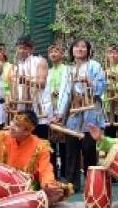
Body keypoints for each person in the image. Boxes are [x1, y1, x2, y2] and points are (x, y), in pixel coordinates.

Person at [54, 39, 106, 192]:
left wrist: (91, 83)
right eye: (76, 46)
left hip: (91, 109)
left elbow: (102, 86)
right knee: (71, 147)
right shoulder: (68, 69)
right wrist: (60, 114)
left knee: (89, 147)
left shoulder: (95, 65)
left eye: (84, 46)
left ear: (88, 50)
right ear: (72, 50)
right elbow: (64, 92)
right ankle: (72, 184)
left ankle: (92, 182)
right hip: (74, 110)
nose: (80, 49)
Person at [12, 35, 50, 138]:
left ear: (32, 49)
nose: (22, 51)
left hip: (38, 108)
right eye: (20, 48)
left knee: (40, 141)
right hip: (22, 108)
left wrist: (27, 82)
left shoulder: (40, 61)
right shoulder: (16, 66)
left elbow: (42, 84)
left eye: (25, 48)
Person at [45, 43, 67, 178]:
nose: (53, 54)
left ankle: (65, 171)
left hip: (62, 108)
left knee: (64, 140)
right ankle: (52, 171)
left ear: (62, 54)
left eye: (56, 51)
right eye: (51, 51)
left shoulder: (66, 69)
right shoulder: (47, 71)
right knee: (51, 141)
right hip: (50, 109)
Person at [103, 44, 118, 138]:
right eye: (110, 53)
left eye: (115, 53)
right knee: (110, 133)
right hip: (109, 105)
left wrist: (115, 76)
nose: (112, 56)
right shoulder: (105, 69)